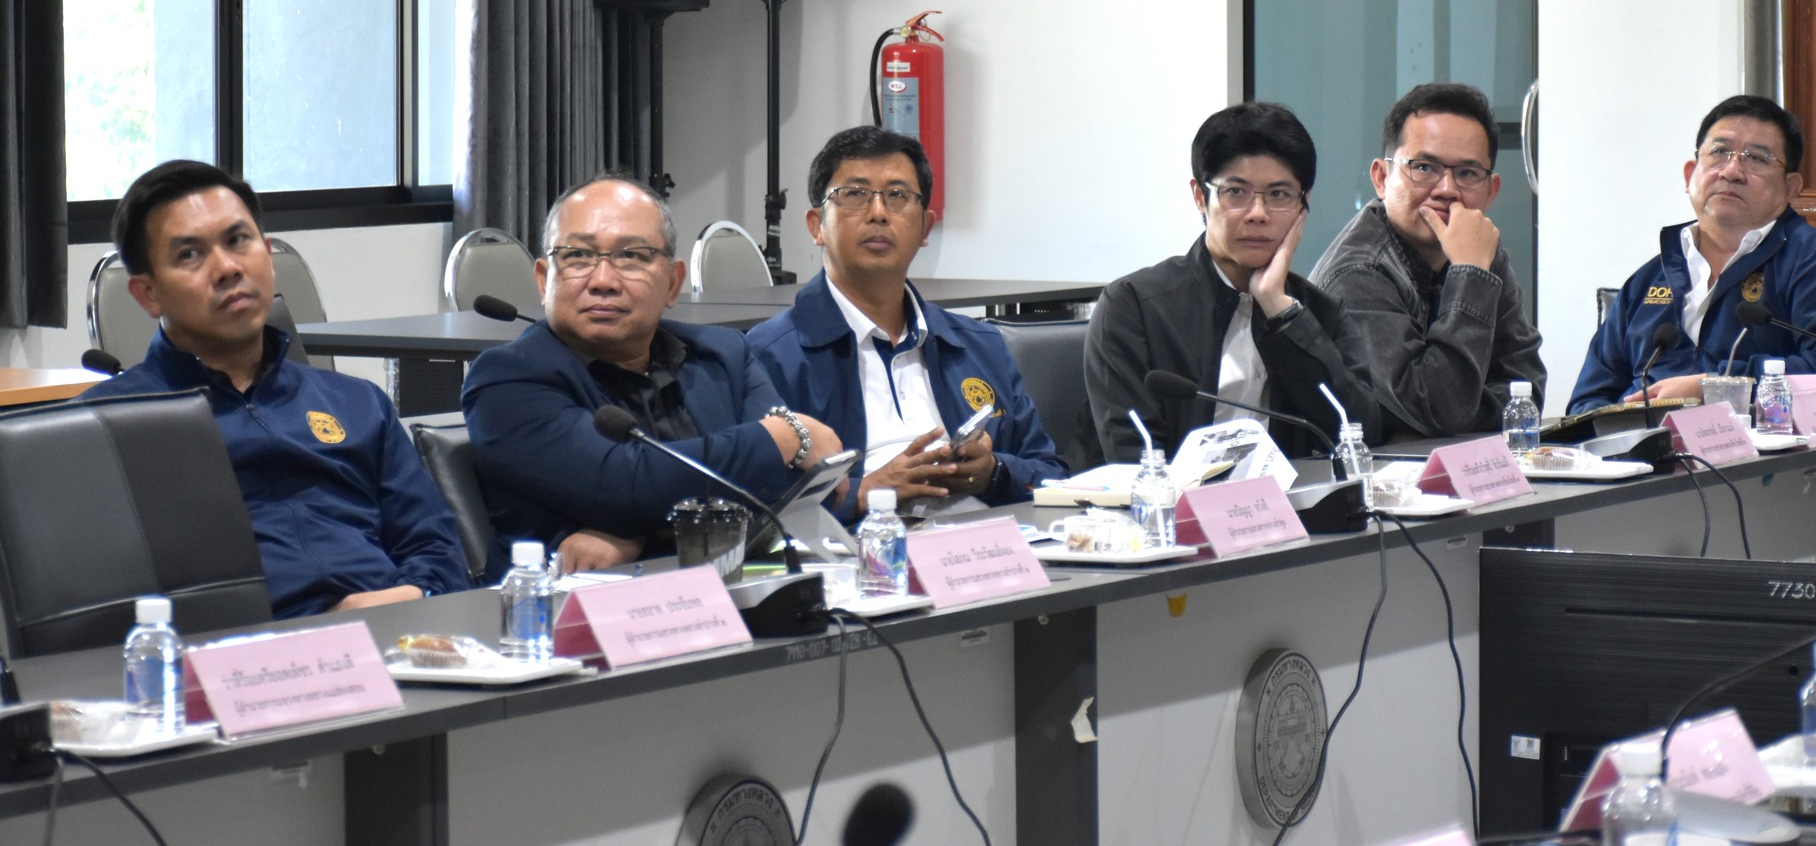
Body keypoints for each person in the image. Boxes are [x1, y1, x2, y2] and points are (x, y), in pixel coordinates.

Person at [78, 160, 468, 618]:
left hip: (397, 634)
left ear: (266, 255)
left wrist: (413, 596)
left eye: (238, 241)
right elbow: (98, 608)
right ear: (148, 294)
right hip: (236, 649)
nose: (227, 267)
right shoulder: (103, 429)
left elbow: (437, 546)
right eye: (190, 255)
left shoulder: (357, 403)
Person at [462, 174, 845, 575]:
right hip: (567, 607)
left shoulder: (724, 355)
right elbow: (626, 486)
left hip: (734, 591)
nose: (603, 281)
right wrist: (782, 438)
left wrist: (639, 531)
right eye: (578, 256)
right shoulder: (507, 380)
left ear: (673, 283)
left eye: (631, 256)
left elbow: (792, 489)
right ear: (544, 280)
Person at [748, 127, 1068, 514]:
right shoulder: (766, 357)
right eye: (855, 194)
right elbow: (748, 508)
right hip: (857, 547)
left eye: (898, 196)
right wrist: (864, 494)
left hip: (986, 543)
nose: (878, 213)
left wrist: (993, 473)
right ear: (817, 226)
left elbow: (1052, 476)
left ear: (924, 228)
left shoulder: (980, 344)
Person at [1086, 102, 1379, 462]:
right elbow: (1135, 458)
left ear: (1304, 205)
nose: (1258, 214)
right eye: (1236, 192)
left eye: (1279, 195)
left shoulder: (1318, 313)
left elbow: (1360, 432)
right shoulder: (1134, 306)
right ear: (1200, 197)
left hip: (1291, 498)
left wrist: (1281, 313)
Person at [1568, 94, 1816, 412]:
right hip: (1644, 443)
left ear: (1790, 188)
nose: (1732, 172)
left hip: (1761, 441)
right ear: (1690, 175)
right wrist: (1623, 430)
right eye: (1719, 152)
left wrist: (1717, 387)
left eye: (1756, 158)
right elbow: (1587, 400)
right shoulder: (1648, 280)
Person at [1309, 82, 1546, 438]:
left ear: (1491, 190)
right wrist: (1471, 274)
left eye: (1467, 173)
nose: (1447, 189)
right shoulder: (1358, 272)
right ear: (1381, 178)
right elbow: (1435, 410)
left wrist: (1462, 411)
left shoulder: (1479, 248)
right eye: (1423, 167)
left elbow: (1525, 391)